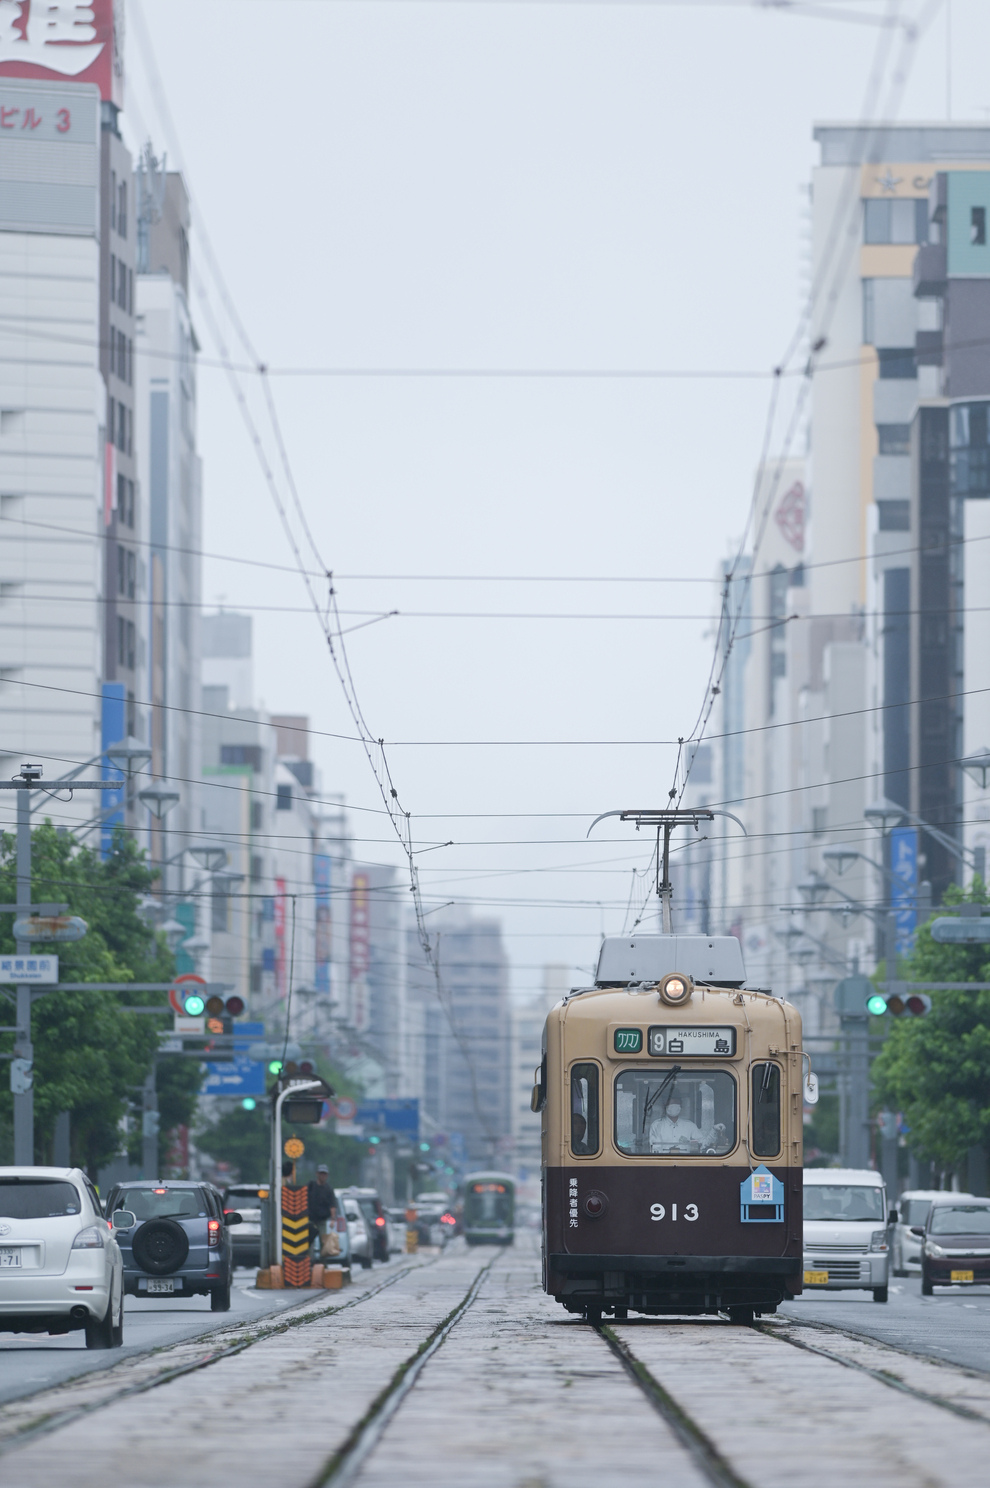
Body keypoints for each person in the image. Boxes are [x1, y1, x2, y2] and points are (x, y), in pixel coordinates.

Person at [307, 1165, 338, 1257]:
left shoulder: (328, 1189)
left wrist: (333, 1219)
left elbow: (332, 1205)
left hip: (322, 1220)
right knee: (309, 1241)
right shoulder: (311, 1186)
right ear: (317, 1174)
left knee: (323, 1242)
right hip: (310, 1219)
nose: (323, 1176)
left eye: (324, 1174)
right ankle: (309, 1261)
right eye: (321, 1174)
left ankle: (322, 1263)